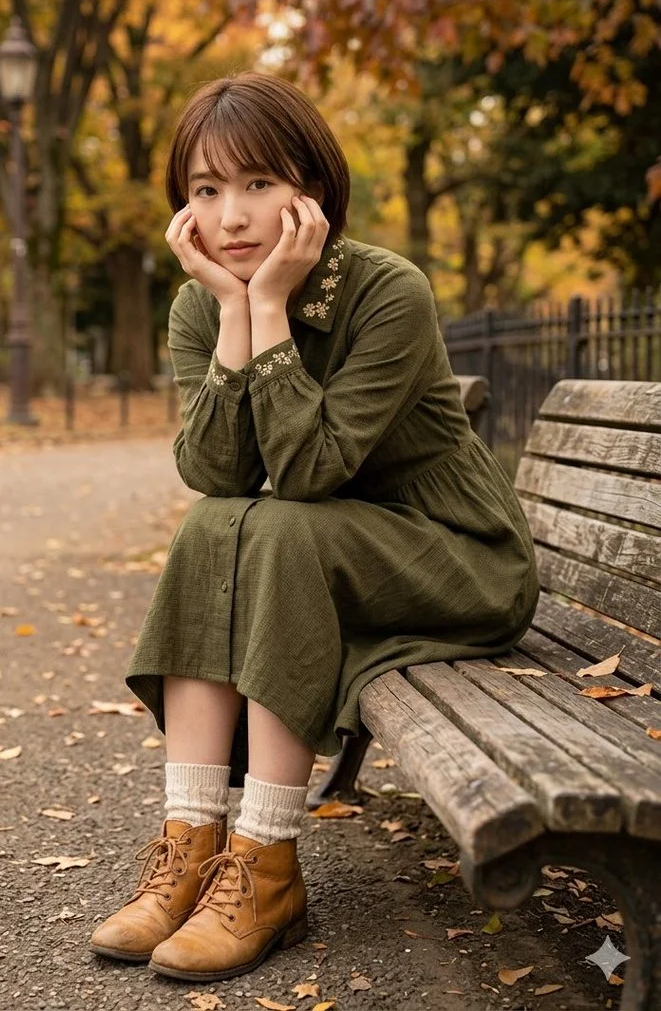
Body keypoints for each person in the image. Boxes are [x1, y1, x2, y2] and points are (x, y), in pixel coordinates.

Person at [89, 71, 539, 982]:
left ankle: (265, 865)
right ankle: (191, 849)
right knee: (214, 528)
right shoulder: (194, 303)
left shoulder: (383, 290)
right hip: (336, 557)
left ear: (313, 187)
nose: (233, 217)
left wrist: (265, 310)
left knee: (285, 529)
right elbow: (216, 476)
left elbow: (304, 474)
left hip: (453, 557)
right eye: (206, 191)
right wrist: (227, 310)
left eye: (258, 183)